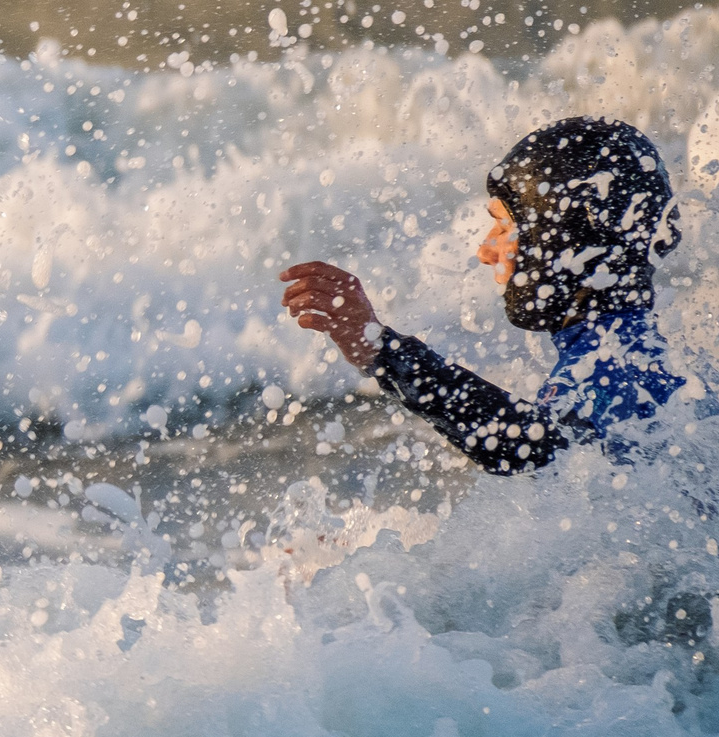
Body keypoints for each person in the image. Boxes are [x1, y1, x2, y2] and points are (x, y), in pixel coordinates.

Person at [279, 116, 688, 473]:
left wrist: (384, 353)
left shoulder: (612, 368)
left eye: (503, 226)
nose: (485, 249)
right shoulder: (627, 352)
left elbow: (537, 449)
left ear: (560, 236)